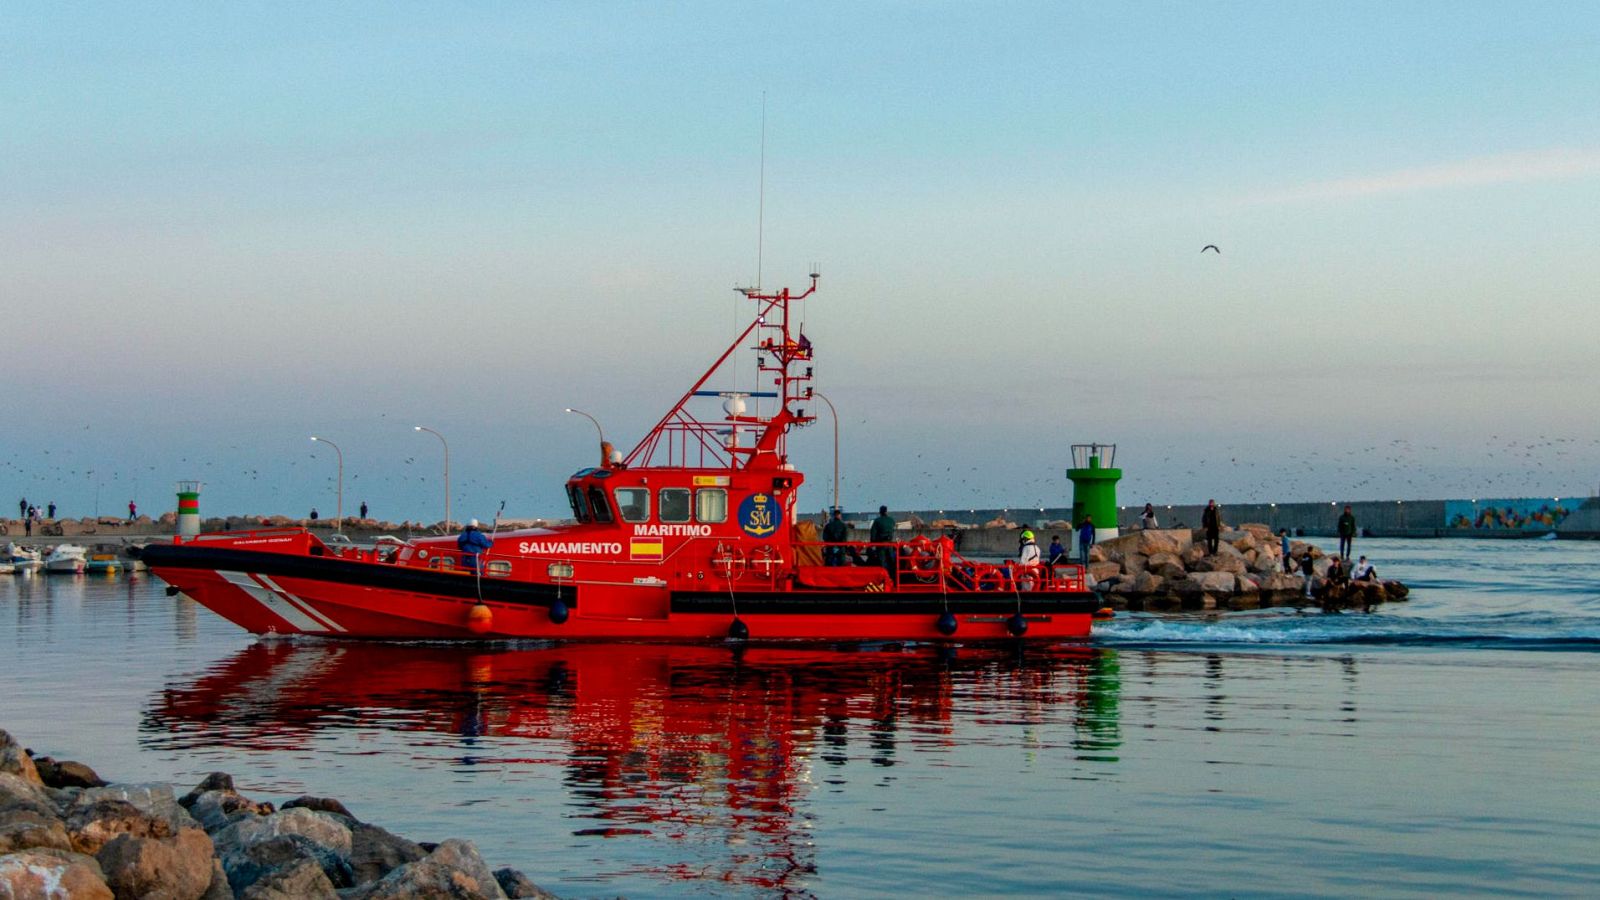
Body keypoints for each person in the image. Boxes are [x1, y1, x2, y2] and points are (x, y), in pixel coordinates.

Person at [869, 505, 897, 576]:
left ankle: (884, 577)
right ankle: (893, 576)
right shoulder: (891, 520)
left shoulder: (877, 521)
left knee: (882, 561)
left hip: (881, 544)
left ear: (880, 512)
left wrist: (872, 543)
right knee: (891, 560)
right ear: (887, 511)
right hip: (890, 543)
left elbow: (873, 533)